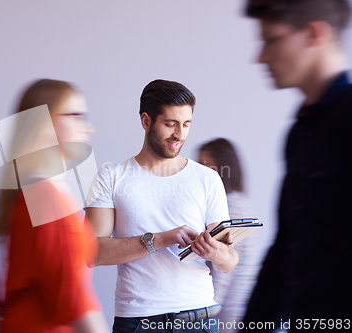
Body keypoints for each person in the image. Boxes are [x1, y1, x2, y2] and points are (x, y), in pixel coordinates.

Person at [85, 79, 239, 333]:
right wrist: (159, 239)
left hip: (199, 319)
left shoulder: (208, 178)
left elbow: (229, 261)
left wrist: (215, 253)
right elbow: (91, 251)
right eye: (170, 124)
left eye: (186, 124)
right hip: (138, 321)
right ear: (146, 121)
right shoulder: (111, 177)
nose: (179, 134)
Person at [242, 0, 352, 330]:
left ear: (313, 34)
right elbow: (286, 249)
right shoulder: (300, 132)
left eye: (271, 38)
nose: (260, 56)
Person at [0, 79, 109, 333]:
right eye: (76, 116)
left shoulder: (35, 192)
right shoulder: (44, 197)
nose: (89, 128)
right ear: (44, 122)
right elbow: (74, 299)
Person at [198, 138, 260, 333]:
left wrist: (204, 315)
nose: (199, 171)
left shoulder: (228, 207)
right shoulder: (241, 201)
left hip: (230, 315)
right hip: (243, 307)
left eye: (204, 164)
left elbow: (222, 269)